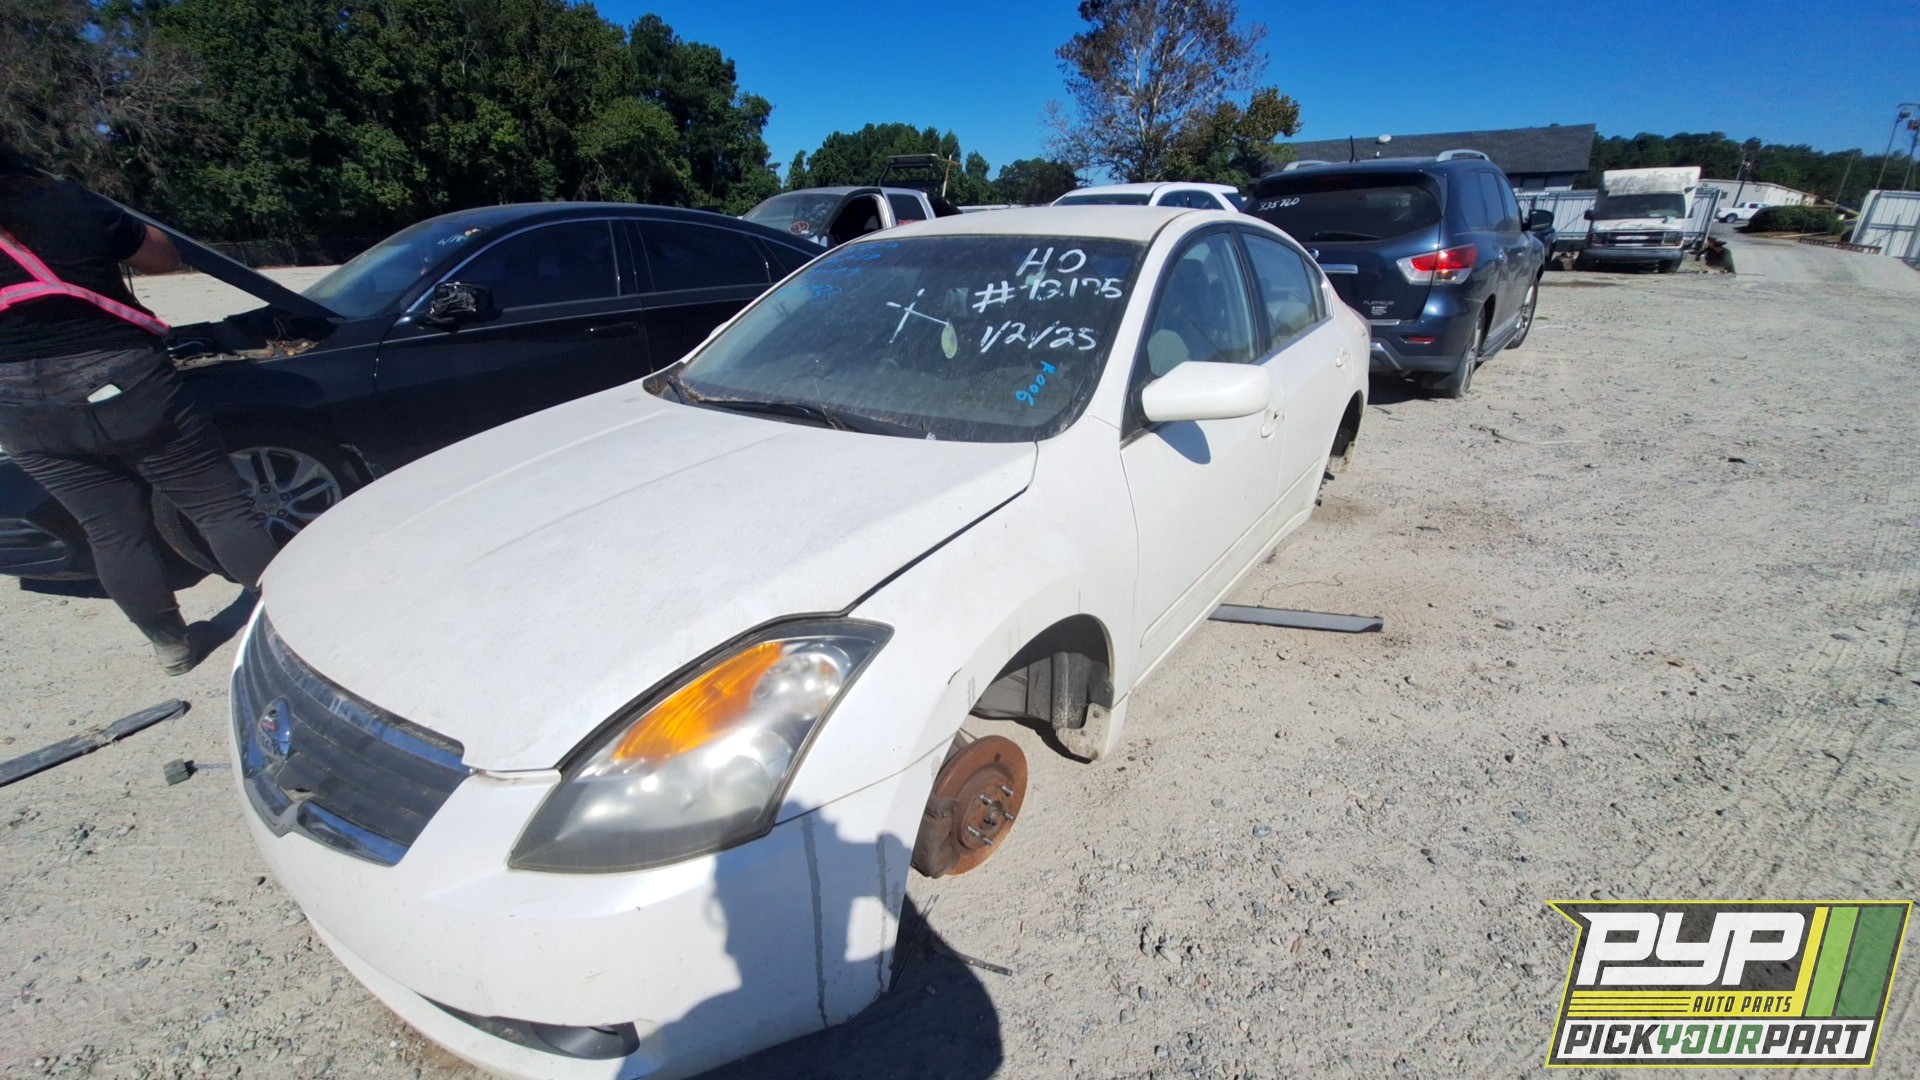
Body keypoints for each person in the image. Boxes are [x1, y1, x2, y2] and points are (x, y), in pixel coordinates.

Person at [0, 146, 278, 674]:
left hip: (15, 401)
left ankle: (171, 646)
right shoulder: (60, 199)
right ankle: (288, 620)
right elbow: (162, 257)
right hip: (120, 375)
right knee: (219, 508)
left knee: (110, 529)